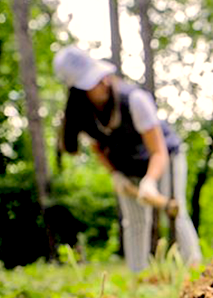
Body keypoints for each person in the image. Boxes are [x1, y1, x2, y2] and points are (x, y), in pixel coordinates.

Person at [53, 46, 202, 271]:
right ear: (78, 90)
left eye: (100, 76)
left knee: (175, 213)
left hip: (164, 157)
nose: (103, 82)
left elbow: (158, 151)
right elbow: (99, 148)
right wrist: (116, 174)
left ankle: (195, 269)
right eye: (92, 82)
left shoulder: (134, 100)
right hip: (128, 166)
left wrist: (150, 182)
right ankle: (138, 276)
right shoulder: (82, 115)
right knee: (135, 221)